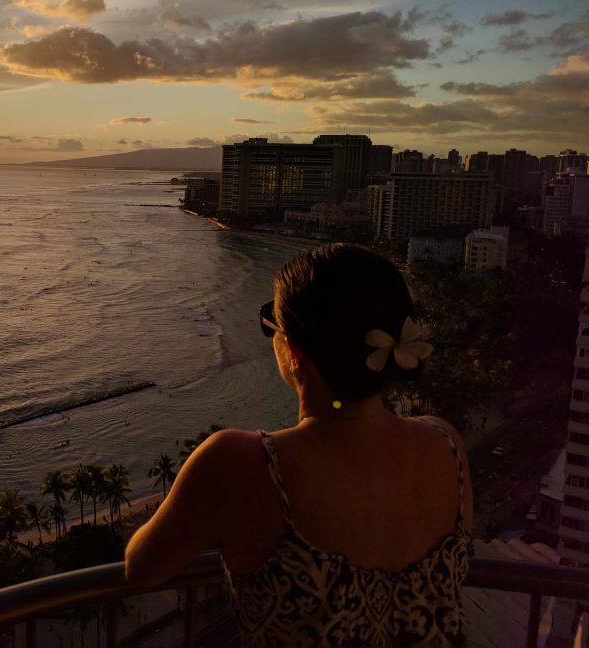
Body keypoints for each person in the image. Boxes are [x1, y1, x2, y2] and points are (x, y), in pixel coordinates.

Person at [125, 244, 472, 646]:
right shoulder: (447, 446)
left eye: (270, 324)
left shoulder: (241, 462)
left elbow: (142, 567)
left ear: (292, 351)